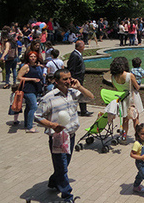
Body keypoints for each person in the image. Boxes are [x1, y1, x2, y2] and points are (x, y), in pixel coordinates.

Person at [34, 68, 94, 202]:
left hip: (71, 136)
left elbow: (91, 97)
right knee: (62, 166)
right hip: (58, 138)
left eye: (69, 78)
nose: (68, 81)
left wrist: (79, 86)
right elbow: (37, 116)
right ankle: (67, 196)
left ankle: (53, 181)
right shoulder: (49, 97)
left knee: (64, 165)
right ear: (56, 81)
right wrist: (52, 125)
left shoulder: (74, 93)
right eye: (64, 79)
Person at [110, 56, 144, 142]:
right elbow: (137, 87)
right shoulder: (129, 75)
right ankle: (138, 137)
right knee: (135, 118)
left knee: (125, 120)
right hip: (132, 98)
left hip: (123, 99)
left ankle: (124, 137)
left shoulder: (113, 77)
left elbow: (116, 88)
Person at [17, 51, 44, 133]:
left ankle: (27, 123)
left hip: (35, 89)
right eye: (31, 56)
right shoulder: (26, 66)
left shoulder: (36, 66)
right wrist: (32, 79)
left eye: (34, 57)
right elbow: (19, 77)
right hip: (27, 89)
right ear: (28, 57)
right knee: (34, 107)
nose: (33, 58)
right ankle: (29, 127)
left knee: (28, 107)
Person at [67, 40, 92, 116]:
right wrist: (72, 79)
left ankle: (84, 110)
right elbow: (71, 68)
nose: (84, 47)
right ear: (80, 47)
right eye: (83, 45)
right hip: (76, 79)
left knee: (81, 94)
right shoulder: (74, 55)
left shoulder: (78, 54)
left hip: (79, 78)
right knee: (78, 94)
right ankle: (82, 111)